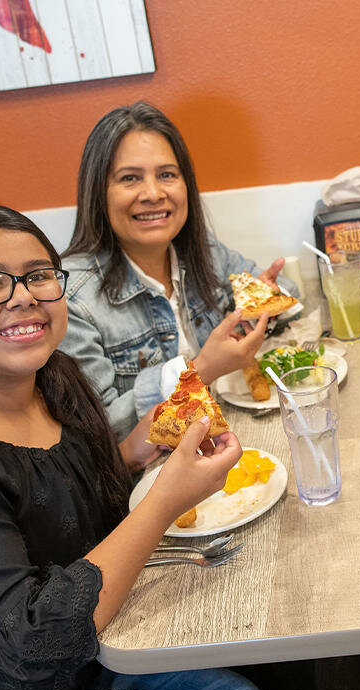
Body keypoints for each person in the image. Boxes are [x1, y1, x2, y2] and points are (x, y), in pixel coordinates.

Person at [0, 205, 267, 690]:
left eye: (38, 275)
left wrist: (148, 442)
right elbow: (29, 652)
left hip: (116, 621)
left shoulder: (56, 377)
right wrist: (165, 500)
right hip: (31, 688)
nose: (24, 297)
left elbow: (90, 485)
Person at [60, 101, 298, 441]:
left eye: (167, 175)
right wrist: (200, 370)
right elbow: (99, 432)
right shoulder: (70, 297)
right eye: (130, 178)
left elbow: (288, 291)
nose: (154, 194)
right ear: (98, 193)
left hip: (230, 439)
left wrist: (262, 304)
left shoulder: (203, 252)